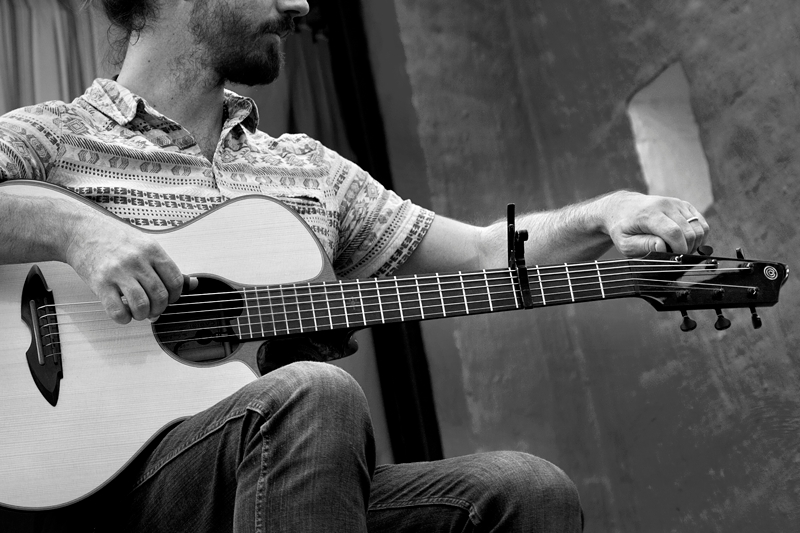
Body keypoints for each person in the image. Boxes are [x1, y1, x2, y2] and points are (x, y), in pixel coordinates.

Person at [0, 0, 709, 531]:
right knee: (319, 390)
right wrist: (75, 231)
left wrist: (605, 213)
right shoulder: (55, 137)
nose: (301, 4)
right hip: (102, 489)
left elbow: (485, 253)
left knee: (527, 490)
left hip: (278, 478)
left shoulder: (306, 171)